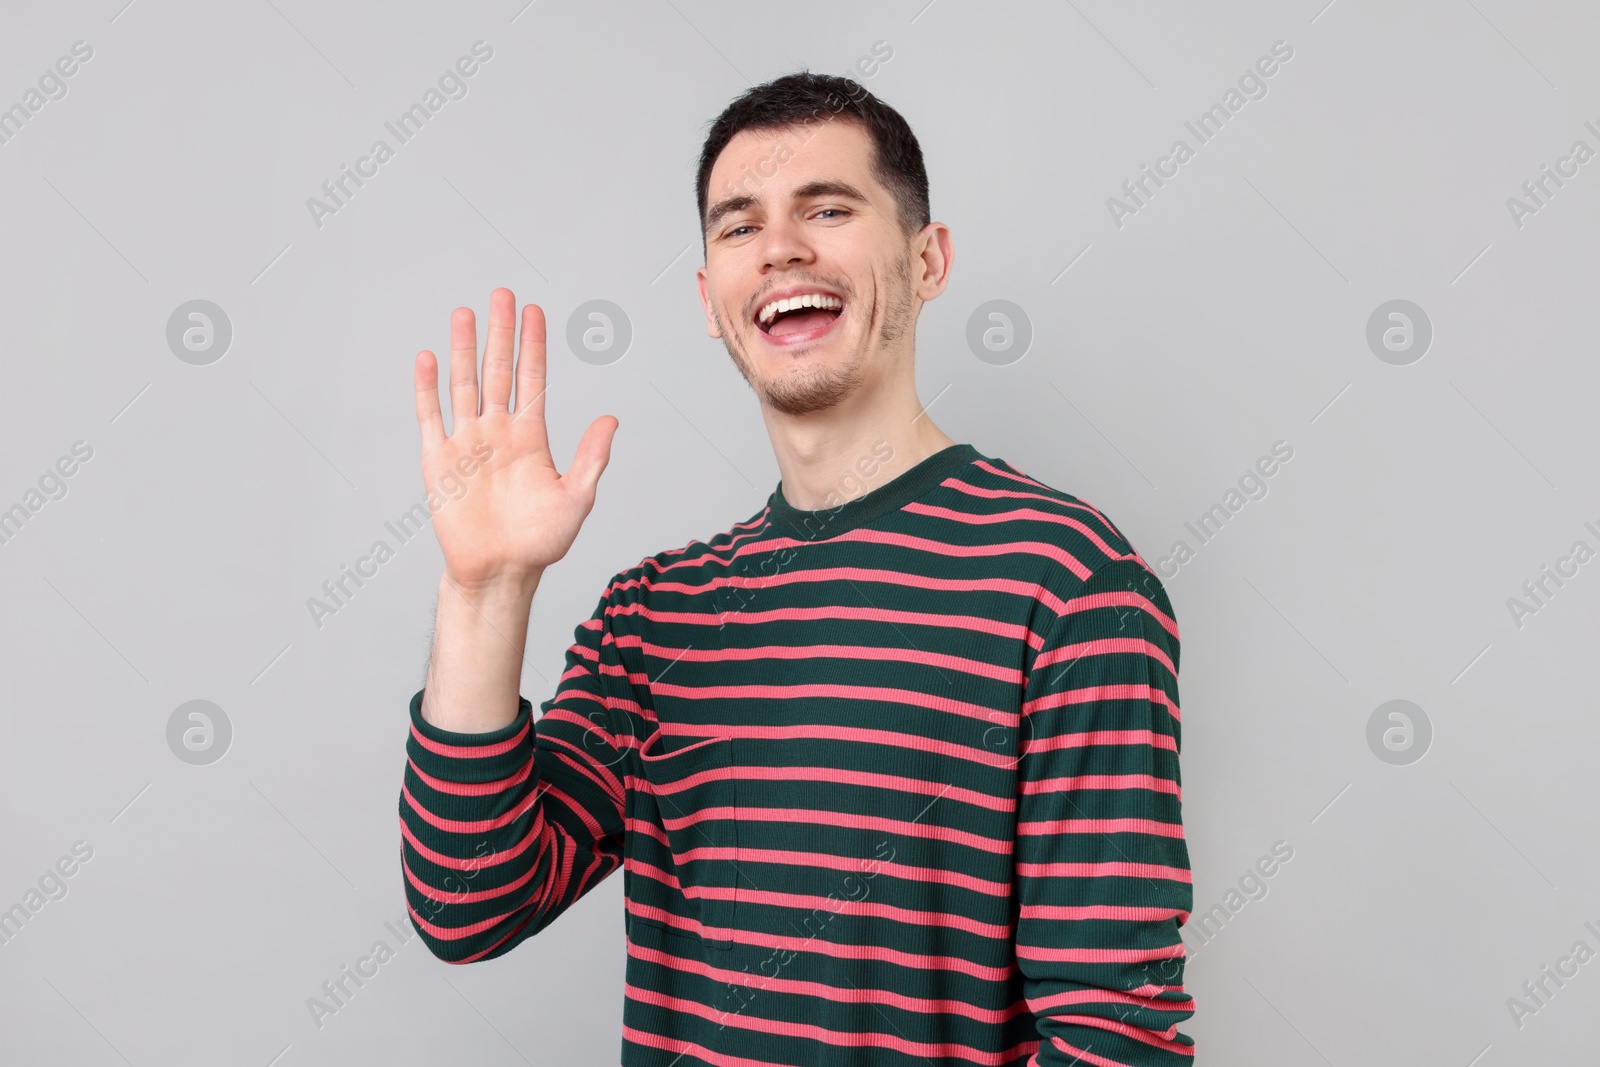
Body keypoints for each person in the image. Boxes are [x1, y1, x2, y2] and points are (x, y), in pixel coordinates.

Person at [399, 71, 1195, 1065]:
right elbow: (468, 902)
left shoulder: (1067, 584)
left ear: (927, 258)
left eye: (827, 207)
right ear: (709, 299)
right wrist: (486, 591)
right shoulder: (652, 616)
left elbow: (1114, 1031)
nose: (780, 248)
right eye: (739, 226)